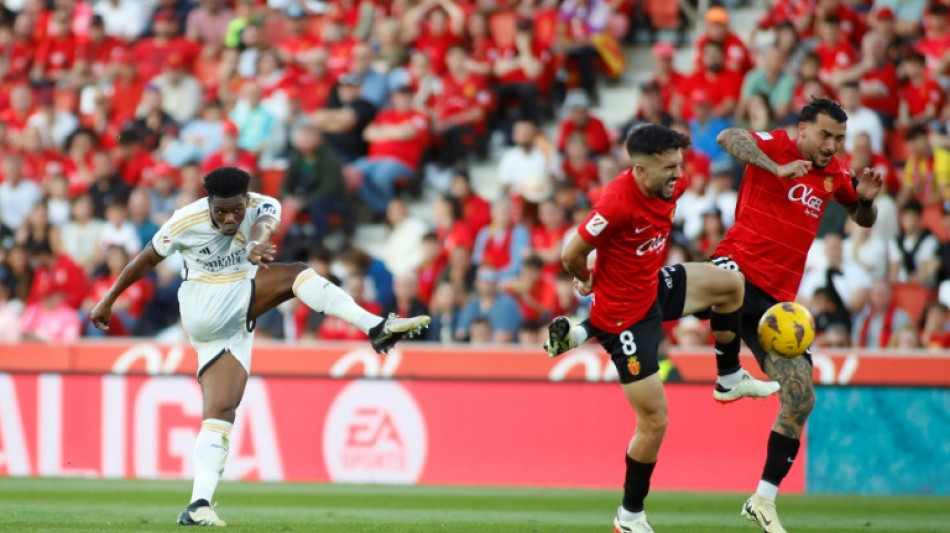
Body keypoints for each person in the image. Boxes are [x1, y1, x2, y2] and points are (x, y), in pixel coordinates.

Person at [88, 167, 430, 526]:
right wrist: (109, 298)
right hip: (204, 303)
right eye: (220, 211)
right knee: (296, 273)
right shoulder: (183, 221)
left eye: (236, 209)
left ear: (247, 201)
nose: (229, 217)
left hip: (229, 323)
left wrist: (253, 244)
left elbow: (262, 227)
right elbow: (146, 258)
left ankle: (198, 503)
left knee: (221, 413)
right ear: (208, 203)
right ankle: (376, 326)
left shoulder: (265, 206)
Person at [543, 125, 779, 533]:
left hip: (652, 286)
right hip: (625, 320)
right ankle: (629, 516)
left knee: (731, 285)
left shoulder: (673, 184)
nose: (678, 175)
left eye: (679, 165)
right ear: (639, 170)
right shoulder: (616, 203)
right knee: (655, 422)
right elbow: (571, 252)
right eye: (669, 167)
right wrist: (588, 279)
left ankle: (729, 377)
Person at [705, 99, 881, 532]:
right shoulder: (779, 146)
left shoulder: (836, 174)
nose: (831, 145)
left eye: (839, 138)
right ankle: (595, 313)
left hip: (776, 306)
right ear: (802, 129)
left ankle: (763, 499)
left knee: (801, 397)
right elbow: (729, 136)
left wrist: (866, 202)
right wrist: (774, 167)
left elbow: (862, 218)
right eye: (824, 135)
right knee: (685, 292)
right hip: (736, 269)